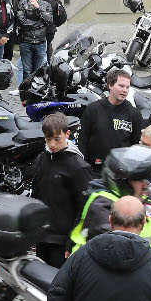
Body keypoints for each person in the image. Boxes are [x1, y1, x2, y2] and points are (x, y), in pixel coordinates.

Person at [29, 113, 89, 267]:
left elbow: (84, 208)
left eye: (57, 139)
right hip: (42, 235)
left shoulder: (78, 166)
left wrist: (71, 240)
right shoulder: (42, 159)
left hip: (61, 240)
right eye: (48, 139)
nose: (52, 145)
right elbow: (36, 195)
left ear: (67, 134)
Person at [80, 67, 140, 169]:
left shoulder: (134, 114)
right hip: (93, 170)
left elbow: (137, 147)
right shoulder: (93, 109)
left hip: (121, 173)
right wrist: (84, 167)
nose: (125, 90)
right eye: (121, 86)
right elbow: (82, 141)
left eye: (127, 87)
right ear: (110, 85)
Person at [13, 0, 54, 87]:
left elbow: (49, 20)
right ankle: (26, 91)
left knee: (39, 70)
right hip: (26, 41)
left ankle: (36, 91)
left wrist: (38, 8)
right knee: (27, 70)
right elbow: (22, 22)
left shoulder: (45, 5)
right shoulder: (22, 4)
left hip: (40, 42)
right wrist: (39, 23)